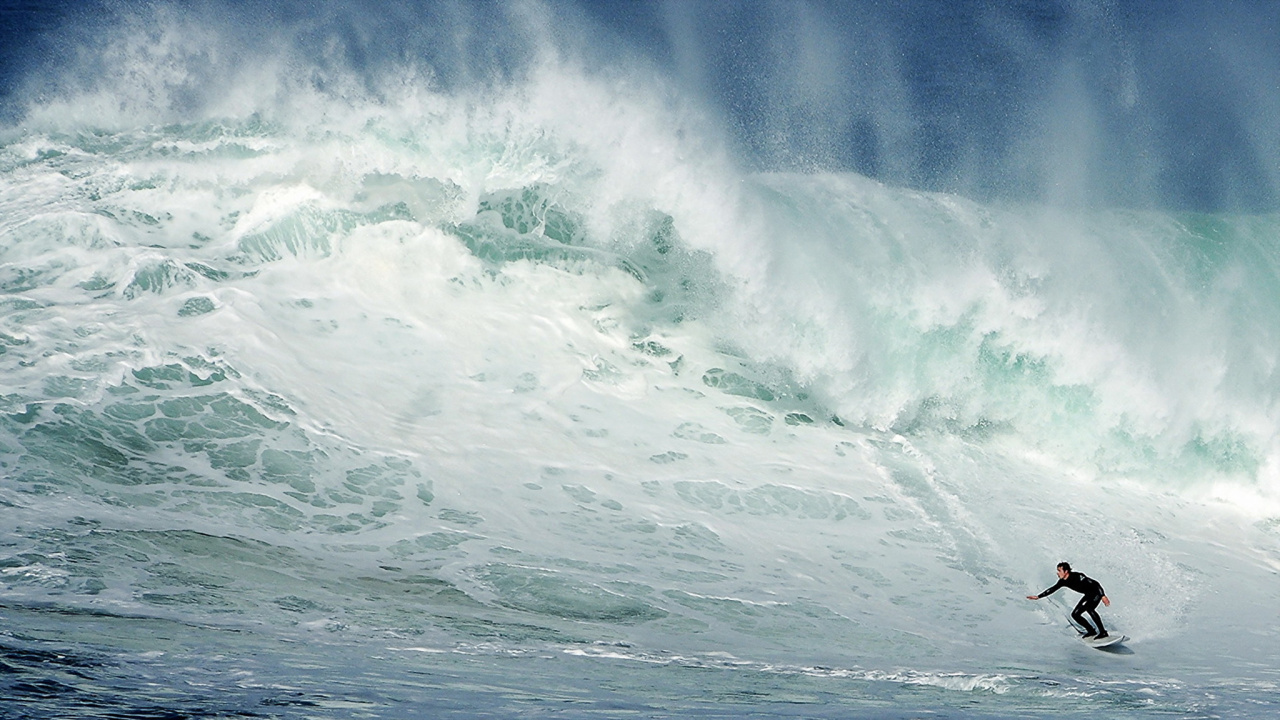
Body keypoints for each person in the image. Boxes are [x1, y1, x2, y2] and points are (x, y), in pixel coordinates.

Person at [1026, 562, 1111, 639]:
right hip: (1088, 595)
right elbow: (1052, 589)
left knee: (1090, 609)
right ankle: (1091, 631)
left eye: (1059, 571)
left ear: (1066, 571)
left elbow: (1095, 583)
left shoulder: (1078, 576)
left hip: (1096, 593)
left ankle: (1103, 632)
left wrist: (1103, 596)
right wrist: (1038, 596)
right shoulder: (1063, 581)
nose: (1057, 573)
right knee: (1075, 614)